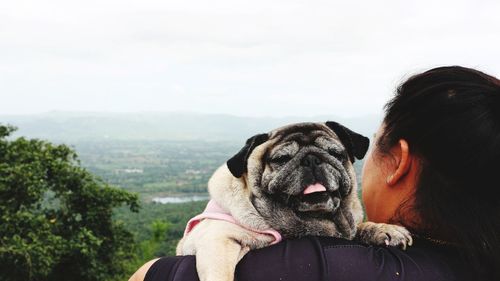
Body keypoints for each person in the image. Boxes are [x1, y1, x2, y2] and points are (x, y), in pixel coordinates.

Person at [129, 66, 500, 281]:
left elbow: (144, 276)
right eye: (285, 160)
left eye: (337, 155)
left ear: (399, 163)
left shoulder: (320, 268)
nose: (312, 168)